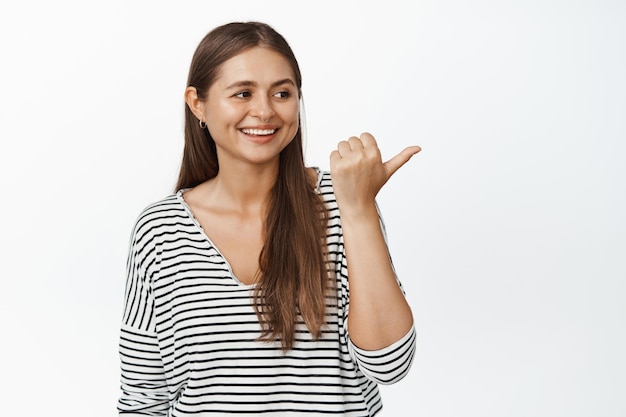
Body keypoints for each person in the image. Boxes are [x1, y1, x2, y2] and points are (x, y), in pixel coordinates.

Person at [118, 21, 420, 416]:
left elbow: (390, 364)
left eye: (282, 93)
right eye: (242, 93)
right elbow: (144, 398)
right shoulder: (160, 230)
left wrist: (359, 210)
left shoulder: (343, 202)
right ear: (198, 104)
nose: (264, 111)